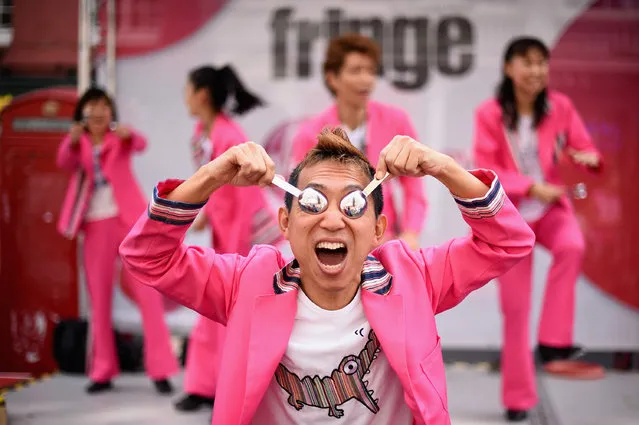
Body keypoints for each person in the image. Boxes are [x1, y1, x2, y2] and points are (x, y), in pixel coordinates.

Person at [120, 127, 535, 424]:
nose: (333, 219)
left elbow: (509, 242)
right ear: (285, 222)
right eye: (314, 203)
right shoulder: (248, 283)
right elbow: (146, 256)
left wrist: (443, 168)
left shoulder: (413, 279)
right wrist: (211, 176)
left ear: (377, 229)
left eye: (353, 205)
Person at [472, 36, 605, 422]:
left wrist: (589, 158)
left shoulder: (560, 107)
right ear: (509, 68)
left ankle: (553, 341)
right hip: (510, 218)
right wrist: (529, 186)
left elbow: (585, 150)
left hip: (550, 211)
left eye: (542, 63)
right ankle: (517, 397)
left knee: (572, 246)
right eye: (527, 63)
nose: (536, 71)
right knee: (515, 311)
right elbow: (484, 169)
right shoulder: (490, 113)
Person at [175, 64, 284, 412]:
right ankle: (203, 386)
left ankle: (229, 395)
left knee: (235, 319)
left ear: (202, 95)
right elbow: (211, 186)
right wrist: (205, 215)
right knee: (212, 315)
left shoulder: (229, 136)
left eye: (188, 90)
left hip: (248, 241)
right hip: (227, 237)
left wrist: (234, 253)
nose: (186, 98)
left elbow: (245, 200)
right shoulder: (202, 133)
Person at [56, 87, 178, 394]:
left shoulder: (119, 140)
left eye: (103, 108)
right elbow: (63, 162)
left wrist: (127, 133)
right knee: (99, 299)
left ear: (111, 113)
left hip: (128, 221)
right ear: (82, 116)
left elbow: (141, 143)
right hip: (95, 225)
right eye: (91, 109)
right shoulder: (78, 143)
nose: (97, 114)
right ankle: (102, 371)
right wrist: (72, 141)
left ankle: (161, 369)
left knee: (147, 292)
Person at [292, 33, 427, 250]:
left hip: (386, 242)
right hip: (334, 244)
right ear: (332, 78)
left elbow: (415, 189)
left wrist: (410, 234)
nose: (366, 79)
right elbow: (303, 199)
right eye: (356, 71)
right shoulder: (310, 134)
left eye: (371, 71)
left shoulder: (397, 121)